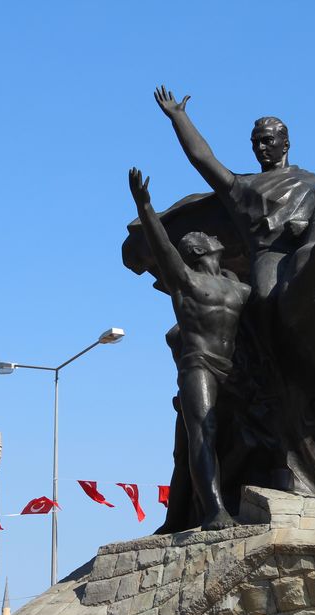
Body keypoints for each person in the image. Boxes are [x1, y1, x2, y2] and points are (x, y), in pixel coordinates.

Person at [128, 167, 251, 530]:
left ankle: (234, 493)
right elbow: (163, 248)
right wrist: (145, 206)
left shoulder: (238, 288)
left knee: (244, 431)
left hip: (234, 368)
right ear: (198, 249)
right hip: (199, 365)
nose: (214, 235)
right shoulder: (187, 282)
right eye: (206, 235)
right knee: (203, 433)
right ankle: (213, 510)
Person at [153, 86, 315, 300]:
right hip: (270, 260)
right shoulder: (242, 186)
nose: (260, 147)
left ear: (285, 144)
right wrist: (178, 117)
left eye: (267, 140)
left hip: (311, 256)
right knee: (268, 302)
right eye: (255, 142)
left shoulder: (312, 182)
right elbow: (203, 159)